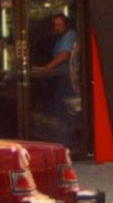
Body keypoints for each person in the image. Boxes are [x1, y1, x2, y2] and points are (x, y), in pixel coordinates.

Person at [32, 14, 79, 148]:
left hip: (68, 80)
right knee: (62, 111)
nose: (56, 28)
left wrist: (47, 68)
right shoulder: (60, 38)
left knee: (66, 112)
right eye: (55, 25)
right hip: (62, 79)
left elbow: (65, 55)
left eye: (59, 25)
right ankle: (63, 142)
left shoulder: (69, 36)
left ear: (66, 25)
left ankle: (67, 143)